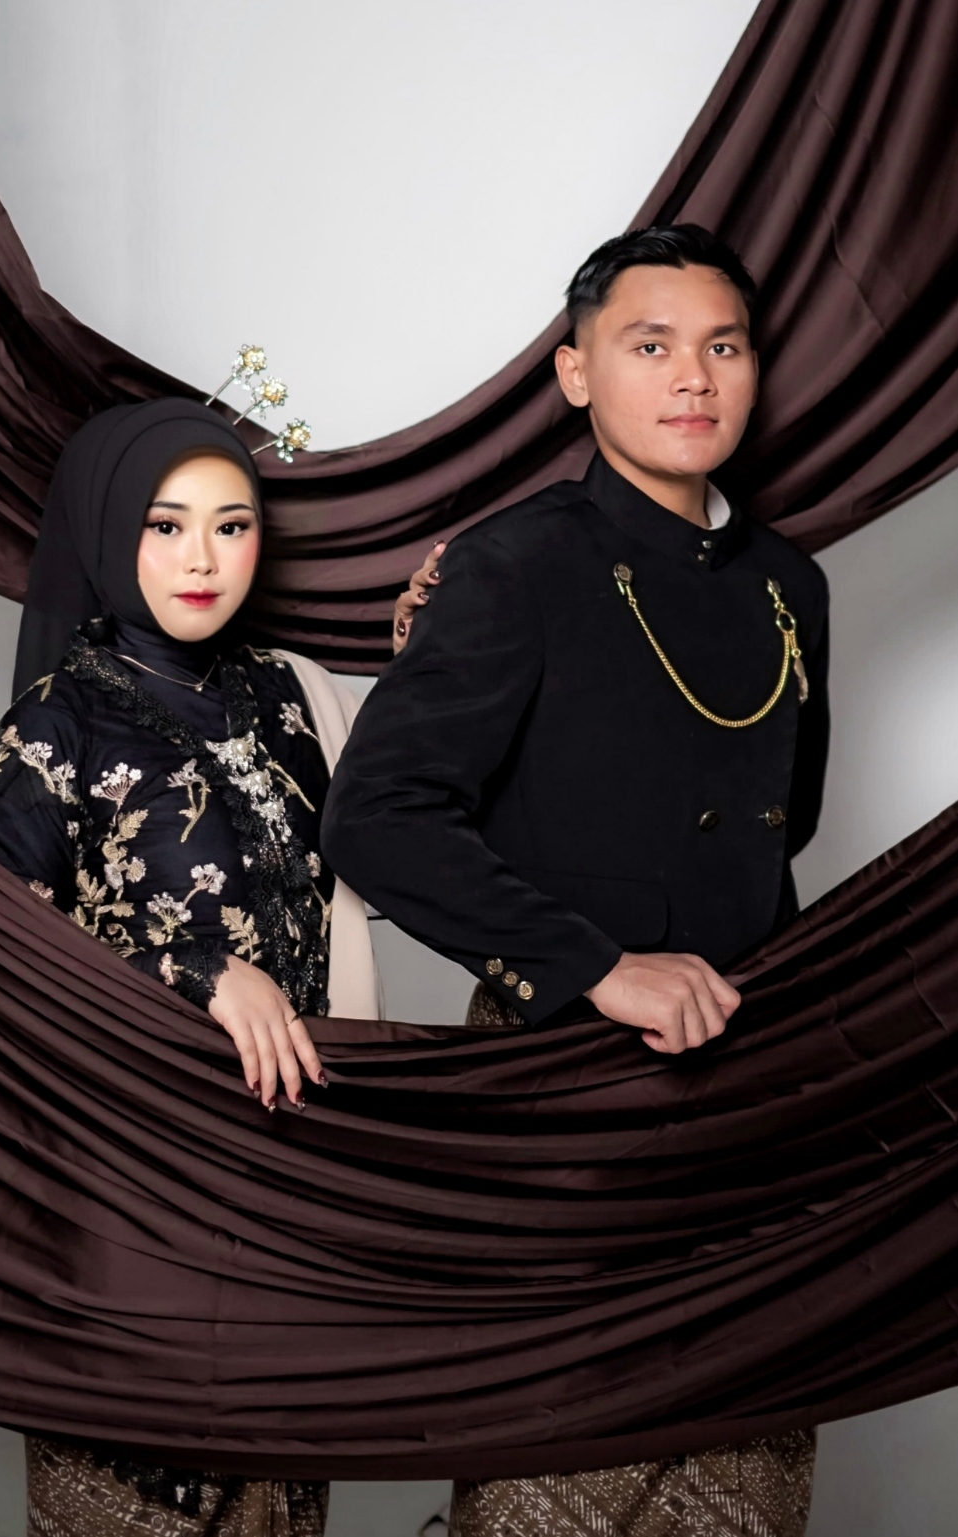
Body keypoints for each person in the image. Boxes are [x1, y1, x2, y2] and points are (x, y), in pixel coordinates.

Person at [322, 225, 829, 1536]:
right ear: (573, 374)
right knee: (550, 1484)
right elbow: (375, 818)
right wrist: (597, 965)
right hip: (564, 1088)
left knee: (744, 1487)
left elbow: (785, 824)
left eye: (723, 346)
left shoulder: (791, 585)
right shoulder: (513, 563)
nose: (693, 377)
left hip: (749, 1091)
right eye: (649, 345)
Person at [0, 397, 384, 1537]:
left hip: (293, 1188)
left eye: (231, 525)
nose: (203, 558)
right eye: (166, 524)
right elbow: (4, 985)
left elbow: (400, 860)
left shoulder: (294, 700)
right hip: (129, 1196)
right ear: (109, 530)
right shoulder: (48, 736)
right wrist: (190, 966)